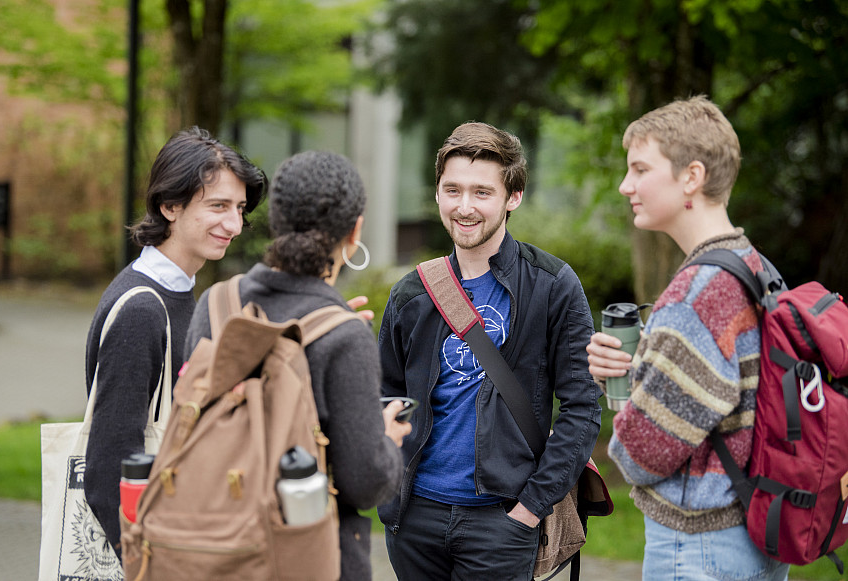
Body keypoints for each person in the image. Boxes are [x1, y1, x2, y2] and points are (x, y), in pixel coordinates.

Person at [377, 121, 602, 580]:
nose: (464, 207)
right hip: (415, 519)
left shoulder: (553, 286)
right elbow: (385, 396)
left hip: (502, 520)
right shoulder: (411, 293)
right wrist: (390, 488)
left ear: (512, 197)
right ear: (437, 194)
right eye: (452, 190)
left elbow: (582, 407)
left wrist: (532, 507)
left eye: (482, 192)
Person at [586, 96, 791, 580]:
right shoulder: (754, 266)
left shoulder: (697, 294)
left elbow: (641, 453)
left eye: (640, 169)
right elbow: (729, 401)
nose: (625, 185)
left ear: (691, 177)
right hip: (753, 531)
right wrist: (636, 375)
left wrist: (630, 410)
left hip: (698, 548)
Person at [184, 150, 410, 581]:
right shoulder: (345, 337)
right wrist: (387, 437)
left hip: (213, 548)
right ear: (355, 229)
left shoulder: (216, 304)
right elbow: (364, 481)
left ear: (276, 220)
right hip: (306, 558)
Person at [84, 126, 267, 560]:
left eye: (239, 209)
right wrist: (149, 561)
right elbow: (110, 468)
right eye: (218, 206)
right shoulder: (142, 310)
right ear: (170, 206)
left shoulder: (183, 294)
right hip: (153, 551)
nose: (234, 224)